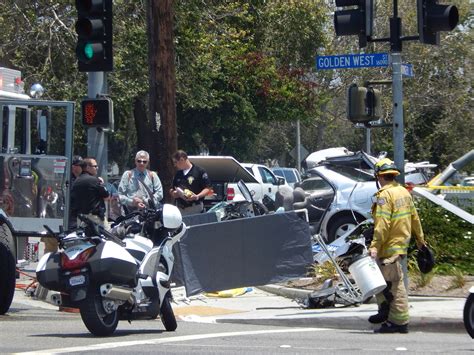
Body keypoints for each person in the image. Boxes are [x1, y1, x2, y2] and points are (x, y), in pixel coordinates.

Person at [368, 158, 426, 334]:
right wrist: (420, 240)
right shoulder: (403, 192)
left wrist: (375, 246)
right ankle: (385, 313)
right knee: (384, 283)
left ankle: (398, 322)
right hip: (400, 245)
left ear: (379, 176)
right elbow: (414, 218)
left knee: (393, 285)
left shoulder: (385, 196)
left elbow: (383, 224)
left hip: (388, 247)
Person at [70, 157, 110, 228]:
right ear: (87, 167)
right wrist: (102, 183)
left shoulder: (76, 181)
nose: (97, 168)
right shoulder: (94, 181)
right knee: (109, 236)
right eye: (95, 166)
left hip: (81, 219)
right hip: (95, 219)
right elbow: (107, 196)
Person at [170, 150, 212, 215]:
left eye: (176, 162)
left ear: (182, 160)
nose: (175, 165)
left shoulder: (199, 171)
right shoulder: (178, 174)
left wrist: (197, 196)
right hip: (180, 209)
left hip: (195, 208)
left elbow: (208, 188)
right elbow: (172, 188)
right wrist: (174, 193)